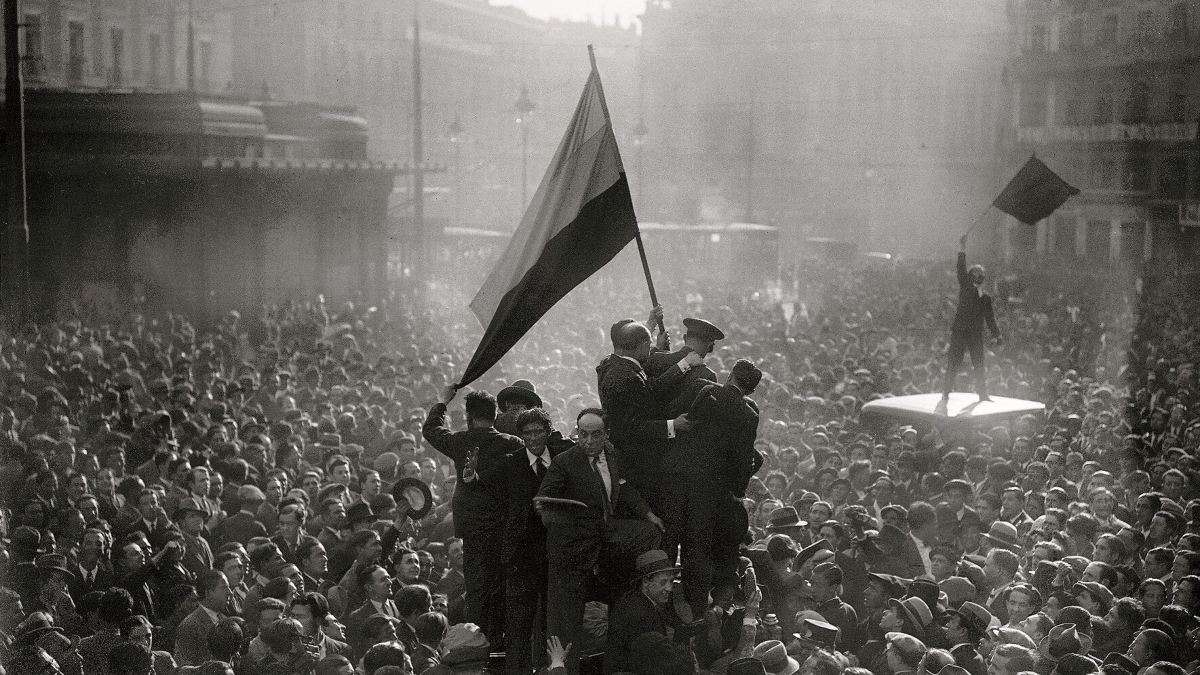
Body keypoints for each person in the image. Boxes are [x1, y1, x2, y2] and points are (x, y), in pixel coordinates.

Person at [538, 408, 663, 660]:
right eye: (583, 434)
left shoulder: (613, 455)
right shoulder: (564, 462)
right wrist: (569, 525)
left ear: (606, 434)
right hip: (574, 548)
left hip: (605, 540)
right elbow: (544, 502)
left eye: (595, 435)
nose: (588, 441)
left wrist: (649, 514)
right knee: (567, 622)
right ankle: (562, 668)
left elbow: (624, 489)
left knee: (649, 533)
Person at [661, 359, 763, 616]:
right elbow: (744, 460)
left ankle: (662, 603)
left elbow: (683, 423)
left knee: (671, 541)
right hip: (712, 492)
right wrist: (736, 491)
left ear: (730, 375)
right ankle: (697, 610)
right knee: (697, 550)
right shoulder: (749, 415)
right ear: (751, 390)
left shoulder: (706, 390)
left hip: (679, 480)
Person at [423, 387, 523, 645]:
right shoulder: (513, 444)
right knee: (503, 586)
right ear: (495, 415)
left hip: (473, 533)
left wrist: (442, 402)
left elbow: (431, 430)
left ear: (469, 417)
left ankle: (479, 643)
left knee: (477, 590)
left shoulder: (461, 442)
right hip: (505, 531)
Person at [489, 407, 564, 673]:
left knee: (552, 621)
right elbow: (500, 508)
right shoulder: (510, 464)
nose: (533, 438)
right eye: (527, 433)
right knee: (520, 623)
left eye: (538, 431)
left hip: (555, 552)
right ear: (521, 435)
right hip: (522, 556)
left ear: (548, 431)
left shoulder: (562, 458)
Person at [596, 314, 696, 509]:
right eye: (649, 345)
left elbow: (647, 387)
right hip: (635, 461)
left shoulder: (612, 363)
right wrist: (673, 425)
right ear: (642, 345)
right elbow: (633, 426)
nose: (651, 349)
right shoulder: (627, 377)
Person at [941, 233, 1001, 400]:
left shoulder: (985, 297)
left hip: (974, 334)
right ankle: (946, 391)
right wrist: (962, 248)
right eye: (974, 273)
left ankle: (982, 394)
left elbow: (990, 318)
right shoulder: (966, 287)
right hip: (960, 332)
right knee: (954, 362)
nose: (976, 276)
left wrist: (997, 335)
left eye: (979, 274)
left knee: (979, 364)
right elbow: (961, 268)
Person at [605, 550, 685, 673]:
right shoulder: (640, 614)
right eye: (663, 582)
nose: (669, 588)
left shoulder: (636, 600)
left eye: (671, 581)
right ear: (646, 581)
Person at [174, 569, 230, 666]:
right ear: (208, 593)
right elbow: (184, 667)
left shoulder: (224, 619)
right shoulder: (190, 625)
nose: (230, 593)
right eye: (224, 588)